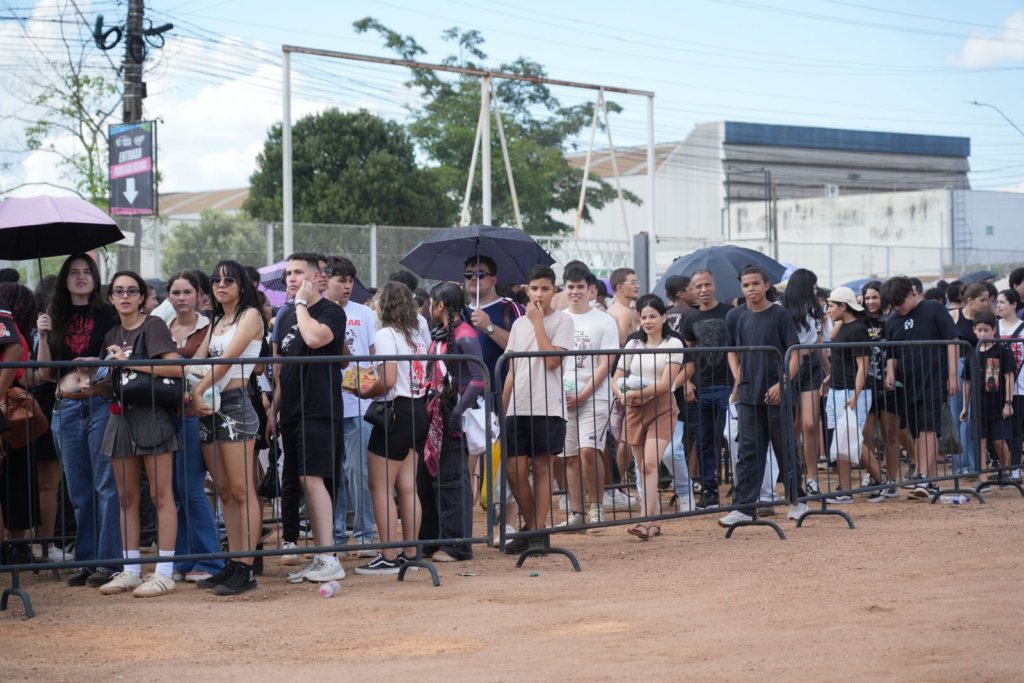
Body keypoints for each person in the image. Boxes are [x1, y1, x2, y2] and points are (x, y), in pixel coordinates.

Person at [36, 253, 122, 587]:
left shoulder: (108, 313)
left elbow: (117, 358)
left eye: (87, 271)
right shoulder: (54, 315)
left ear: (95, 278)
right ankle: (86, 561)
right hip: (65, 407)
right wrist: (42, 336)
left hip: (99, 403)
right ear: (64, 278)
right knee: (79, 491)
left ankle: (109, 562)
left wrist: (97, 363)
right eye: (74, 272)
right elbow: (44, 372)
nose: (81, 277)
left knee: (106, 487)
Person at [96, 271, 182, 598]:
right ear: (111, 298)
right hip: (120, 417)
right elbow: (116, 381)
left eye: (132, 290)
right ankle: (131, 571)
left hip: (152, 415)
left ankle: (164, 572)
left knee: (161, 496)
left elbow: (174, 368)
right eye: (118, 291)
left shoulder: (154, 325)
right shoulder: (113, 332)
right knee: (126, 498)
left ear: (142, 297)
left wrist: (130, 363)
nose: (125, 296)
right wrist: (96, 377)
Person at [267, 253, 348, 584]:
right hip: (293, 410)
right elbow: (281, 368)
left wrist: (300, 304)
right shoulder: (286, 317)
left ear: (317, 278)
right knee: (302, 479)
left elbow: (315, 338)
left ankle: (328, 555)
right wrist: (274, 411)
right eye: (287, 273)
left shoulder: (330, 311)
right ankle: (321, 554)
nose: (290, 278)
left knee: (315, 479)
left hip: (320, 407)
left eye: (298, 272)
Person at [189, 261, 266, 595]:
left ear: (241, 285)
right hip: (211, 406)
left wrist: (195, 390)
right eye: (215, 280)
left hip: (234, 404)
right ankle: (233, 562)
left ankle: (246, 567)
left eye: (228, 280)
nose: (221, 285)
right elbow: (198, 362)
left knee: (241, 490)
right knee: (223, 491)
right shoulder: (216, 320)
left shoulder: (250, 315)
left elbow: (225, 363)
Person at [721, 265, 807, 527]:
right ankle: (745, 508)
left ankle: (797, 500)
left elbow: (796, 354)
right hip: (749, 394)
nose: (751, 289)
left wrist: (782, 383)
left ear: (766, 285)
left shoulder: (780, 315)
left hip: (777, 395)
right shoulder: (740, 317)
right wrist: (738, 379)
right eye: (746, 285)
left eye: (755, 284)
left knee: (785, 449)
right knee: (748, 453)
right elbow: (733, 351)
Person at [354, 282, 428, 574]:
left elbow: (387, 380)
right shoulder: (415, 335)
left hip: (395, 411)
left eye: (378, 301)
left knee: (380, 486)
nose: (374, 306)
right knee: (408, 488)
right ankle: (410, 553)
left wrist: (361, 391)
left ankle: (387, 554)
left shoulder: (386, 334)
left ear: (385, 306)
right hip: (418, 409)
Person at [501, 265, 573, 554]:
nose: (539, 294)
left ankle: (538, 531)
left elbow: (553, 362)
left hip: (548, 406)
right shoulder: (519, 325)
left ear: (554, 291)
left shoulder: (562, 322)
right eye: (534, 288)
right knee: (514, 471)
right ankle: (534, 529)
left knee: (542, 468)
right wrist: (501, 410)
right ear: (527, 290)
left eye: (545, 288)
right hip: (517, 406)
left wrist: (538, 323)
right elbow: (510, 370)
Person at [163, 271, 222, 585]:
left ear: (199, 295)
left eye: (187, 292)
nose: (181, 297)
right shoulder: (160, 327)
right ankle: (184, 559)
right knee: (174, 491)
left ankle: (210, 559)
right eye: (175, 292)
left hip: (196, 413)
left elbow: (204, 368)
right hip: (164, 413)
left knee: (191, 488)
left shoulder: (210, 326)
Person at [418, 282, 485, 561]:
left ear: (440, 305)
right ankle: (435, 539)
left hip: (452, 412)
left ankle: (458, 544)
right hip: (436, 410)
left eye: (431, 302)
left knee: (452, 478)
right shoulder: (443, 334)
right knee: (432, 478)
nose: (429, 308)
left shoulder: (466, 334)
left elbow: (478, 379)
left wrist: (457, 412)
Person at [612, 296, 684, 540]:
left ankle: (644, 521)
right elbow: (616, 379)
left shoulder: (674, 343)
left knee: (651, 463)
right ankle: (654, 521)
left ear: (664, 317)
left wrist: (631, 392)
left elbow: (666, 384)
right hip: (633, 408)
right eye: (644, 317)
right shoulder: (633, 344)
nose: (648, 321)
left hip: (662, 407)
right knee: (643, 467)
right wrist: (622, 395)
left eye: (653, 316)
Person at [882, 276, 959, 500]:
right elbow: (892, 352)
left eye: (899, 303)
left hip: (934, 379)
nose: (897, 308)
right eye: (893, 306)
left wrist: (952, 376)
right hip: (909, 383)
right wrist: (890, 373)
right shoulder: (894, 320)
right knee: (918, 431)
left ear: (910, 294)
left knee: (928, 428)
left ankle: (923, 475)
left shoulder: (934, 309)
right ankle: (931, 483)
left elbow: (952, 340)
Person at [323, 255, 379, 557]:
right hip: (327, 405)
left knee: (359, 473)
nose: (346, 286)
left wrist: (365, 392)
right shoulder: (315, 312)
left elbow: (370, 356)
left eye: (349, 280)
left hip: (357, 408)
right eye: (340, 279)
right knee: (332, 475)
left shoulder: (364, 314)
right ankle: (335, 536)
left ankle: (366, 534)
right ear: (325, 280)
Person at [556, 263, 618, 532]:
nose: (575, 291)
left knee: (589, 452)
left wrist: (582, 395)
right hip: (563, 397)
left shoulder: (604, 320)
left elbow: (606, 364)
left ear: (590, 288)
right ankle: (577, 512)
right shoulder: (559, 319)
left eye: (580, 286)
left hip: (594, 397)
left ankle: (597, 509)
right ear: (565, 288)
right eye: (570, 287)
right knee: (570, 456)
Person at [823, 287, 886, 502]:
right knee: (842, 440)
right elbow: (831, 336)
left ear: (843, 306)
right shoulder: (845, 326)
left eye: (831, 305)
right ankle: (845, 489)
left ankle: (882, 480)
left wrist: (855, 395)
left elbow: (863, 367)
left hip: (852, 391)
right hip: (839, 389)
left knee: (852, 440)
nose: (828, 310)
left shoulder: (858, 329)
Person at [681, 269, 734, 510]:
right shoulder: (690, 319)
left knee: (733, 438)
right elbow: (687, 354)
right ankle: (710, 490)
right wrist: (686, 381)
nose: (703, 290)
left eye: (706, 285)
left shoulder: (730, 314)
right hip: (701, 387)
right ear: (692, 290)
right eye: (698, 286)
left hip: (728, 385)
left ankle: (741, 487)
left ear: (714, 285)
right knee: (703, 441)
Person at [782, 269, 830, 496]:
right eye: (812, 286)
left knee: (810, 424)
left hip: (810, 366)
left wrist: (830, 373)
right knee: (792, 426)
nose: (815, 290)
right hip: (788, 366)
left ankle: (812, 477)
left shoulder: (816, 311)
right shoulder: (781, 310)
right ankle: (794, 475)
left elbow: (819, 345)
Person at [961, 311, 1015, 489]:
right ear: (974, 330)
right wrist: (964, 407)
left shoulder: (1003, 350)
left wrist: (1008, 403)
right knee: (981, 441)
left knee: (999, 440)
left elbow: (1009, 377)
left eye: (986, 330)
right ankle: (982, 477)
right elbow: (967, 382)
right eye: (979, 330)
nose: (982, 334)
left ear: (993, 330)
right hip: (978, 406)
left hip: (999, 405)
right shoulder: (972, 353)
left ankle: (1006, 470)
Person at [859, 282, 901, 502]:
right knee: (865, 435)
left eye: (875, 297)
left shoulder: (891, 320)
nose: (871, 302)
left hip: (889, 384)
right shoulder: (859, 320)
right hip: (865, 385)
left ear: (882, 299)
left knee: (890, 435)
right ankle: (877, 477)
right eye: (867, 298)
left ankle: (892, 482)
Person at [464, 255, 525, 394]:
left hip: (504, 395)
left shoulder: (511, 308)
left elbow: (524, 348)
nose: (474, 278)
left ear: (493, 280)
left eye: (480, 273)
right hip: (468, 398)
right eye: (468, 274)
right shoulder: (461, 312)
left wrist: (489, 327)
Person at [948, 283, 989, 477]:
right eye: (982, 300)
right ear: (970, 300)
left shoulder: (986, 317)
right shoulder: (954, 315)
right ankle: (960, 467)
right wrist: (950, 374)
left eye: (987, 299)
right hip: (958, 367)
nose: (986, 303)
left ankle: (973, 466)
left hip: (979, 368)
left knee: (972, 419)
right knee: (958, 418)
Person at [996, 289, 1024, 484]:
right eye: (997, 302)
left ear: (1014, 305)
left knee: (1016, 429)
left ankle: (1014, 467)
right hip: (996, 386)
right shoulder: (993, 327)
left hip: (1020, 386)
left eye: (1002, 302)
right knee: (996, 428)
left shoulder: (1023, 328)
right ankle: (1002, 465)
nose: (998, 305)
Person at [607, 267, 640, 347]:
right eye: (632, 283)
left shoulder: (611, 309)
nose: (637, 286)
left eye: (637, 282)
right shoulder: (625, 312)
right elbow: (623, 343)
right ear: (620, 287)